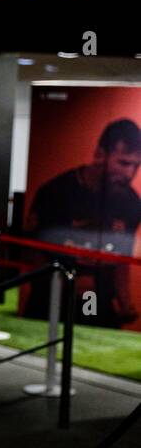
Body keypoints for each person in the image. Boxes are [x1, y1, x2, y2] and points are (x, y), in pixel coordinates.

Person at [24, 118, 141, 328]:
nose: (129, 174)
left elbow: (122, 257)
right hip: (52, 300)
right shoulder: (56, 192)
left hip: (98, 301)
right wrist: (66, 281)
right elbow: (32, 253)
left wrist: (125, 301)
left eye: (136, 165)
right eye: (123, 163)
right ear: (100, 154)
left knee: (94, 350)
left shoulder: (131, 202)